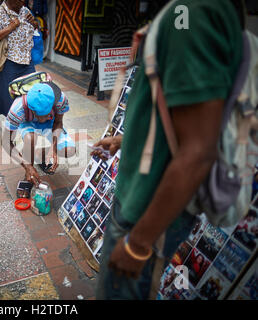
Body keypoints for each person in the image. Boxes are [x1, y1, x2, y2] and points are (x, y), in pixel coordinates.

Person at [92, 0, 246, 299]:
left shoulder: (188, 14)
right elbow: (177, 117)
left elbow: (198, 149)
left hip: (144, 209)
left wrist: (138, 244)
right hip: (140, 202)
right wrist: (126, 140)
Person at [2, 82, 76, 190]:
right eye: (38, 114)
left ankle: (39, 154)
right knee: (30, 139)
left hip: (52, 123)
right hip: (28, 122)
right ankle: (28, 176)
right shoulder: (17, 109)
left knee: (69, 150)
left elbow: (58, 122)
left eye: (46, 114)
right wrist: (27, 166)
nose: (41, 120)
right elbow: (5, 142)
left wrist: (53, 148)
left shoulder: (61, 100)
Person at [0, 0, 38, 129]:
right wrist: (10, 28)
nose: (23, 1)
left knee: (30, 94)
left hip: (27, 60)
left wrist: (34, 23)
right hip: (8, 61)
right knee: (6, 97)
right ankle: (11, 131)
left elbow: (34, 29)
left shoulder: (25, 11)